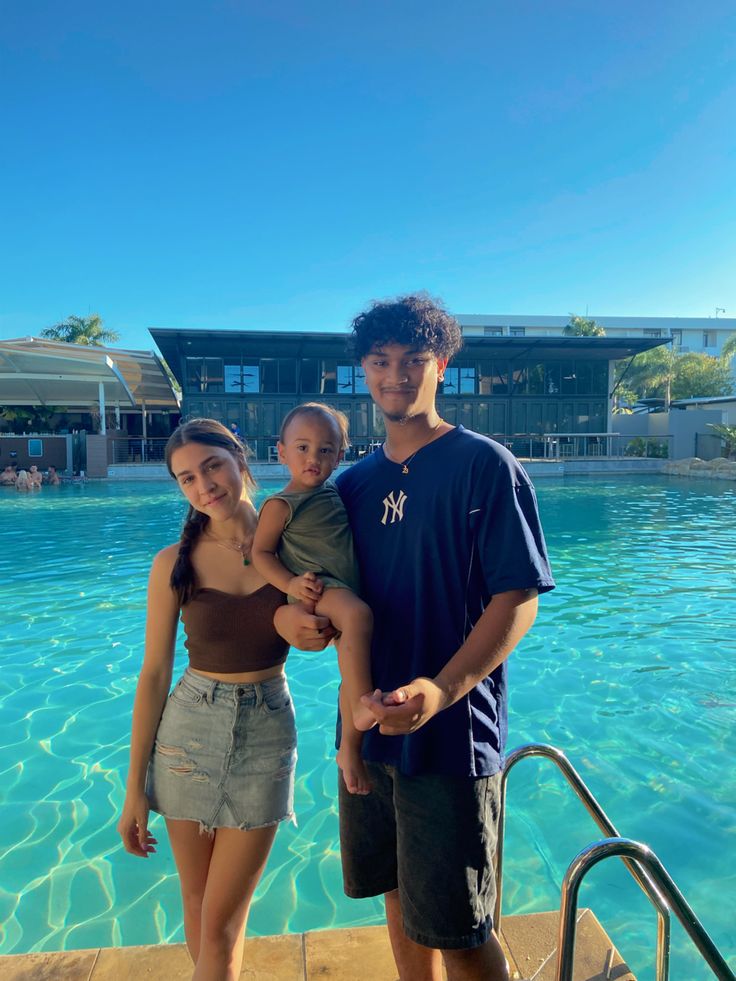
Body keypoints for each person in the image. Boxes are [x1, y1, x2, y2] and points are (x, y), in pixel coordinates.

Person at [275, 293, 554, 981]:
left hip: (450, 736)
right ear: (362, 371)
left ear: (442, 366)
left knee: (460, 927)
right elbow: (319, 588)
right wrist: (299, 623)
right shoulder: (352, 484)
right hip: (367, 727)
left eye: (413, 360)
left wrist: (440, 688)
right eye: (380, 361)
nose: (395, 374)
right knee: (397, 899)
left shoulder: (484, 465)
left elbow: (517, 600)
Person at [118, 418, 296, 981]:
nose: (204, 486)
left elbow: (332, 620)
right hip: (187, 732)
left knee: (222, 920)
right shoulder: (174, 563)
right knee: (199, 908)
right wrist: (133, 791)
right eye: (186, 478)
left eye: (212, 466)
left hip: (267, 732)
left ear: (241, 461)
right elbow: (153, 675)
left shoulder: (294, 546)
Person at [252, 403, 376, 796]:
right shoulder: (280, 505)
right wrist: (291, 585)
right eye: (302, 448)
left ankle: (349, 749)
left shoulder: (333, 492)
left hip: (341, 583)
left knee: (350, 671)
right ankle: (362, 705)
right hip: (322, 588)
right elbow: (260, 554)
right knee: (358, 617)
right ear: (281, 452)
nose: (313, 458)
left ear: (340, 456)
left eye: (325, 450)